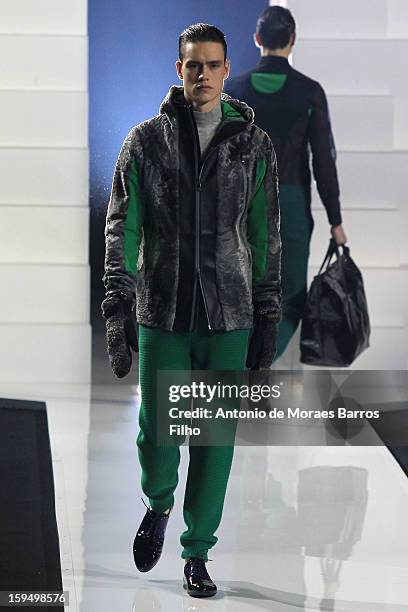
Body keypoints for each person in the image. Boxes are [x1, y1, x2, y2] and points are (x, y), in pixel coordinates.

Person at [101, 23, 281, 597]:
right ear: (178, 71)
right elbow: (122, 225)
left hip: (229, 313)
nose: (202, 74)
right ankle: (158, 504)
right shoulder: (145, 143)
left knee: (213, 441)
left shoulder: (252, 145)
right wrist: (117, 301)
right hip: (164, 311)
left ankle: (197, 553)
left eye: (212, 64)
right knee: (158, 433)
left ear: (228, 70)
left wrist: (268, 310)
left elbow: (265, 233)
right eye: (192, 65)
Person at [225, 5, 347, 361]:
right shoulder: (309, 92)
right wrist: (336, 220)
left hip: (242, 203)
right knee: (290, 294)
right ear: (292, 41)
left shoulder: (234, 89)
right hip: (291, 203)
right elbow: (323, 161)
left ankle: (239, 367)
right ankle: (259, 367)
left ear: (257, 39)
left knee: (243, 289)